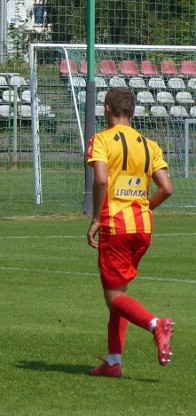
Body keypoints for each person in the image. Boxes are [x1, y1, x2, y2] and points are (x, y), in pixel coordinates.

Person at [86, 86, 174, 378]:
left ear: (107, 109)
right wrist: (144, 208)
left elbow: (100, 180)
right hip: (142, 229)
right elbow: (167, 188)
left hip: (116, 226)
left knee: (113, 298)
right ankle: (113, 362)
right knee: (121, 294)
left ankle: (155, 324)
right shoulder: (149, 145)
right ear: (132, 112)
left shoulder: (101, 140)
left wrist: (97, 218)